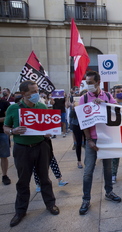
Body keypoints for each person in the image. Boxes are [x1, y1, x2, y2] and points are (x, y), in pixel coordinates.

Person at [4, 80, 59, 227]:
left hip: (41, 146)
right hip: (22, 149)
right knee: (23, 181)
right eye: (33, 92)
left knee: (45, 178)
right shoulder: (14, 108)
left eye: (37, 90)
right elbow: (6, 127)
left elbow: (47, 125)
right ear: (23, 94)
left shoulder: (41, 106)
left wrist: (49, 132)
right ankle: (20, 211)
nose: (36, 94)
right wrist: (12, 131)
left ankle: (50, 204)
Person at [78, 71, 122, 215]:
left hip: (107, 138)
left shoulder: (108, 96)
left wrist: (105, 104)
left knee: (108, 168)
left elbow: (118, 112)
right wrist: (89, 140)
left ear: (98, 82)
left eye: (90, 82)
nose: (88, 85)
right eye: (87, 82)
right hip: (92, 139)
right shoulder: (84, 98)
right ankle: (86, 199)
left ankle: (109, 192)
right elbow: (83, 123)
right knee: (88, 171)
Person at [69, 90, 86, 168]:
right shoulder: (75, 105)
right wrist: (73, 108)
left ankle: (88, 159)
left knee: (87, 143)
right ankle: (79, 161)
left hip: (87, 124)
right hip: (77, 125)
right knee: (78, 143)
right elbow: (71, 116)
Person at [0, 98, 11, 185]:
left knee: (4, 155)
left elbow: (9, 117)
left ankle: (4, 175)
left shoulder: (4, 103)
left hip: (2, 133)